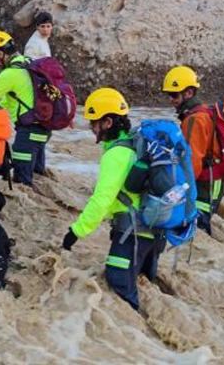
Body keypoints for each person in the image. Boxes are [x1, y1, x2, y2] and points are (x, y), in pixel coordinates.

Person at [61, 88, 165, 311]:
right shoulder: (133, 146)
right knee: (145, 288)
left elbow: (102, 199)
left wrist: (76, 232)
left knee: (119, 292)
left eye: (93, 122)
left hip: (132, 234)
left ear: (107, 122)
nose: (90, 128)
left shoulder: (116, 155)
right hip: (153, 233)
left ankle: (136, 342)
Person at [0, 31, 49, 186]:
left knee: (22, 182)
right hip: (43, 129)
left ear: (0, 53)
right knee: (39, 176)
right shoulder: (30, 62)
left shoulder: (10, 74)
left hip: (27, 133)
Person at [162, 66, 223, 235]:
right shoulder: (203, 113)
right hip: (213, 180)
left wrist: (179, 189)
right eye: (169, 95)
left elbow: (191, 162)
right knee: (200, 226)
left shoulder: (194, 120)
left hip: (206, 182)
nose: (170, 99)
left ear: (188, 93)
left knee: (198, 229)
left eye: (174, 94)